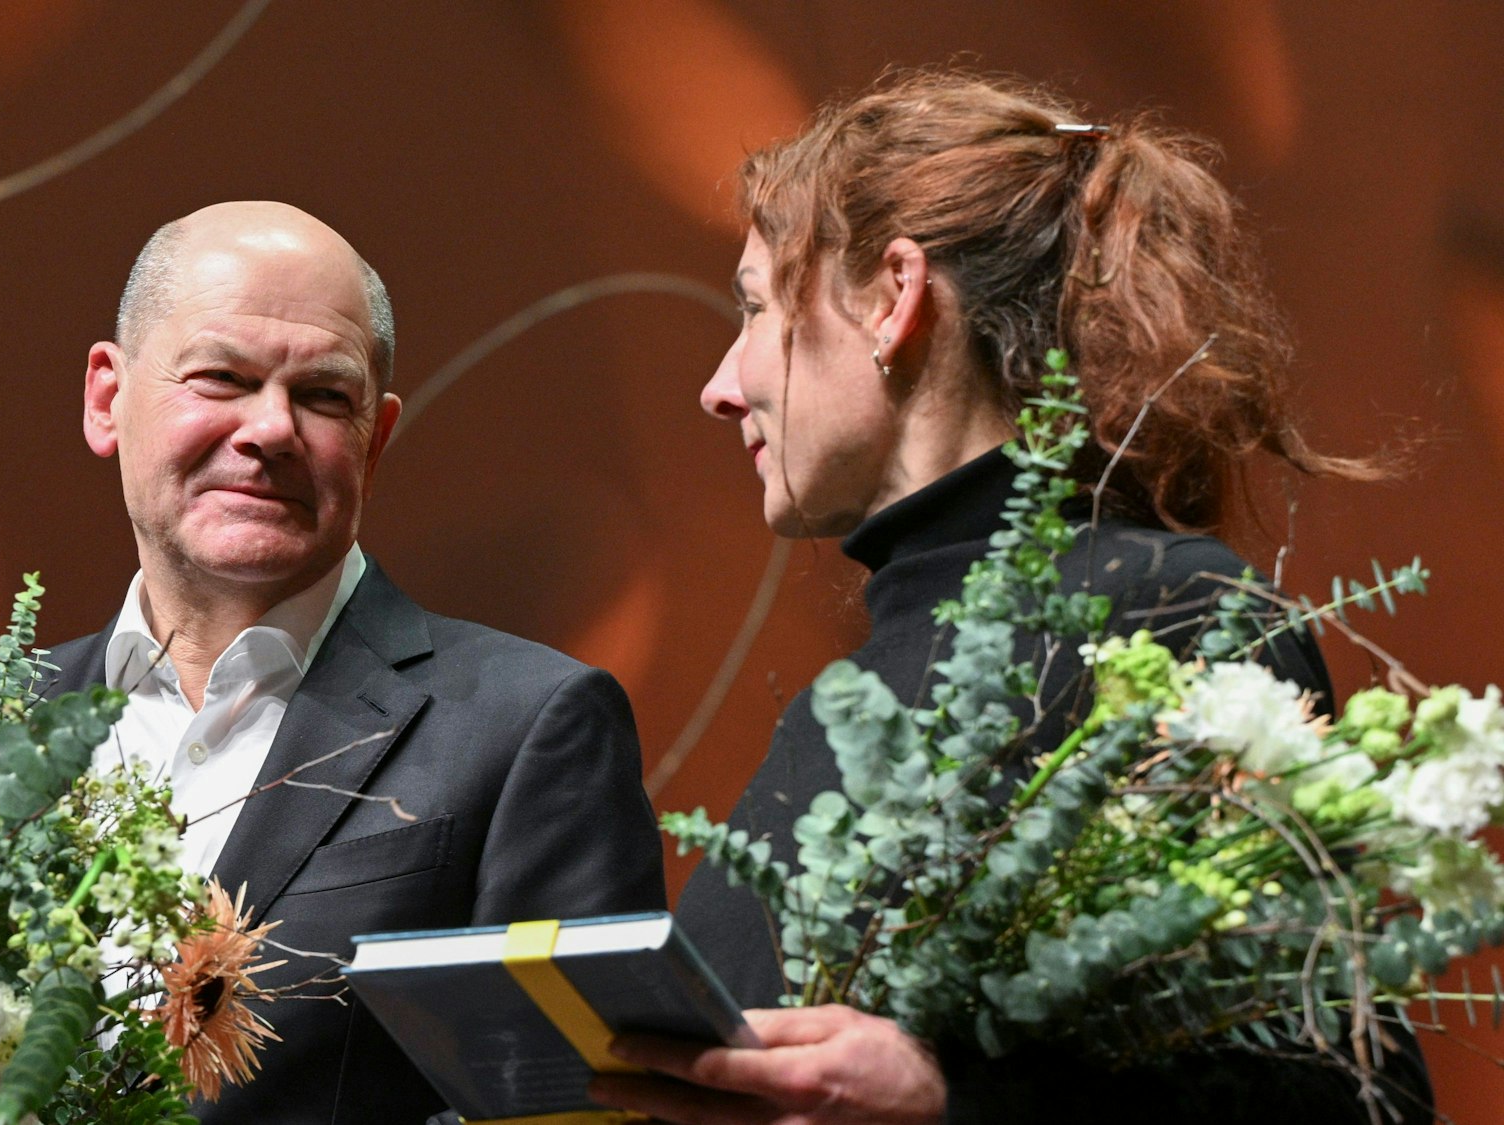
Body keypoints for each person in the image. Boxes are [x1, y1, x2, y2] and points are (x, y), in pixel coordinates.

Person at [587, 72, 1434, 1124]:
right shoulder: (851, 691)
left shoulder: (1171, 616)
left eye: (754, 307)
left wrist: (949, 1102)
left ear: (891, 296)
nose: (719, 386)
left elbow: (1354, 1095)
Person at [0, 201, 665, 1124]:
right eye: (222, 377)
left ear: (375, 438)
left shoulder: (528, 724)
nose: (272, 428)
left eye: (323, 396)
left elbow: (558, 1115)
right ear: (107, 398)